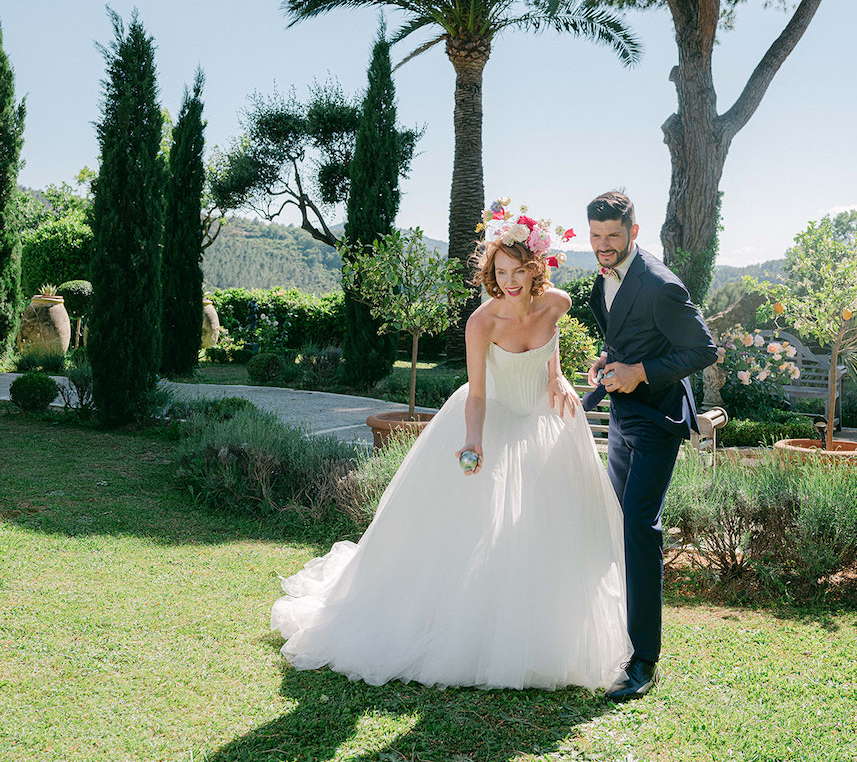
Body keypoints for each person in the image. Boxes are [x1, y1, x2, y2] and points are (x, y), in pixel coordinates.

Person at [271, 199, 630, 690]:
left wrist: (558, 377)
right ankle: (468, 623)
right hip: (495, 417)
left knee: (545, 529)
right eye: (500, 271)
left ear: (535, 269)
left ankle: (540, 630)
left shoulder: (559, 303)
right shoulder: (482, 323)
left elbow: (551, 346)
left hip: (546, 422)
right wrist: (474, 441)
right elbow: (478, 394)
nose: (508, 281)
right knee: (472, 530)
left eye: (518, 271)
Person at [583, 190, 717, 704]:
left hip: (658, 417)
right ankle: (620, 634)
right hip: (622, 413)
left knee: (640, 525)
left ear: (633, 231)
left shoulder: (661, 285)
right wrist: (608, 361)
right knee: (619, 521)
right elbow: (627, 336)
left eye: (613, 236)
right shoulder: (604, 274)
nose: (603, 246)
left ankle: (644, 661)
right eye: (595, 237)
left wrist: (640, 372)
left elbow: (703, 348)